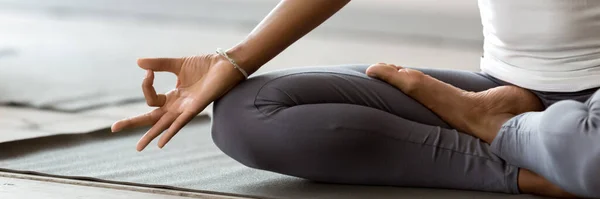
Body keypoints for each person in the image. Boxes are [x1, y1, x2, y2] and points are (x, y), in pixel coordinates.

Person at [110, 0, 600, 198]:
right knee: (246, 115)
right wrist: (231, 61)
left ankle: (524, 143)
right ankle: (535, 163)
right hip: (502, 91)